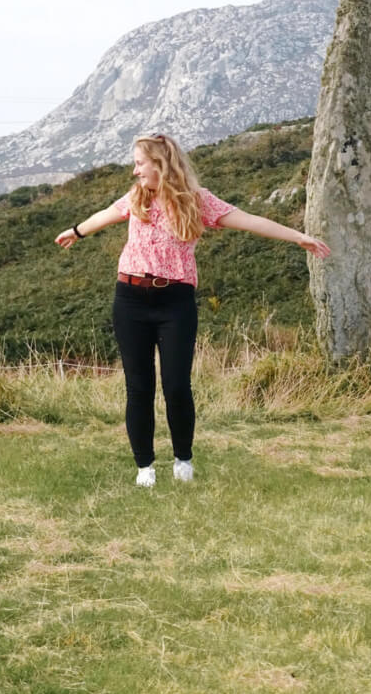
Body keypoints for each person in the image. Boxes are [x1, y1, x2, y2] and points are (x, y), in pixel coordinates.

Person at [55, 133, 330, 487]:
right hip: (130, 299)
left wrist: (297, 236)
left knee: (176, 385)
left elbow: (247, 219)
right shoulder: (136, 197)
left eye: (140, 163)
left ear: (161, 164)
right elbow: (107, 214)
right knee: (139, 387)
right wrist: (76, 231)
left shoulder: (198, 202)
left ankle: (183, 461)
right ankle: (145, 469)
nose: (135, 171)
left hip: (176, 303)